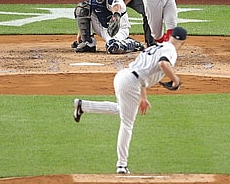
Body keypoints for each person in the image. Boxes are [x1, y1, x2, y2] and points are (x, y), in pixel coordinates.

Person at [73, 27, 188, 175]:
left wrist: (143, 97)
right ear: (183, 42)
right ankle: (122, 165)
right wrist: (176, 80)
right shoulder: (170, 50)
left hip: (123, 76)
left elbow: (142, 72)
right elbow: (163, 64)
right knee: (127, 123)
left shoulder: (157, 47)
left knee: (122, 110)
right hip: (131, 82)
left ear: (169, 36)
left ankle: (82, 106)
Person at [72, 0, 145, 54]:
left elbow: (116, 6)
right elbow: (86, 17)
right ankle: (88, 42)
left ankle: (133, 44)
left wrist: (116, 15)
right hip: (102, 27)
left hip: (119, 28)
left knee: (113, 47)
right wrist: (81, 33)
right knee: (82, 9)